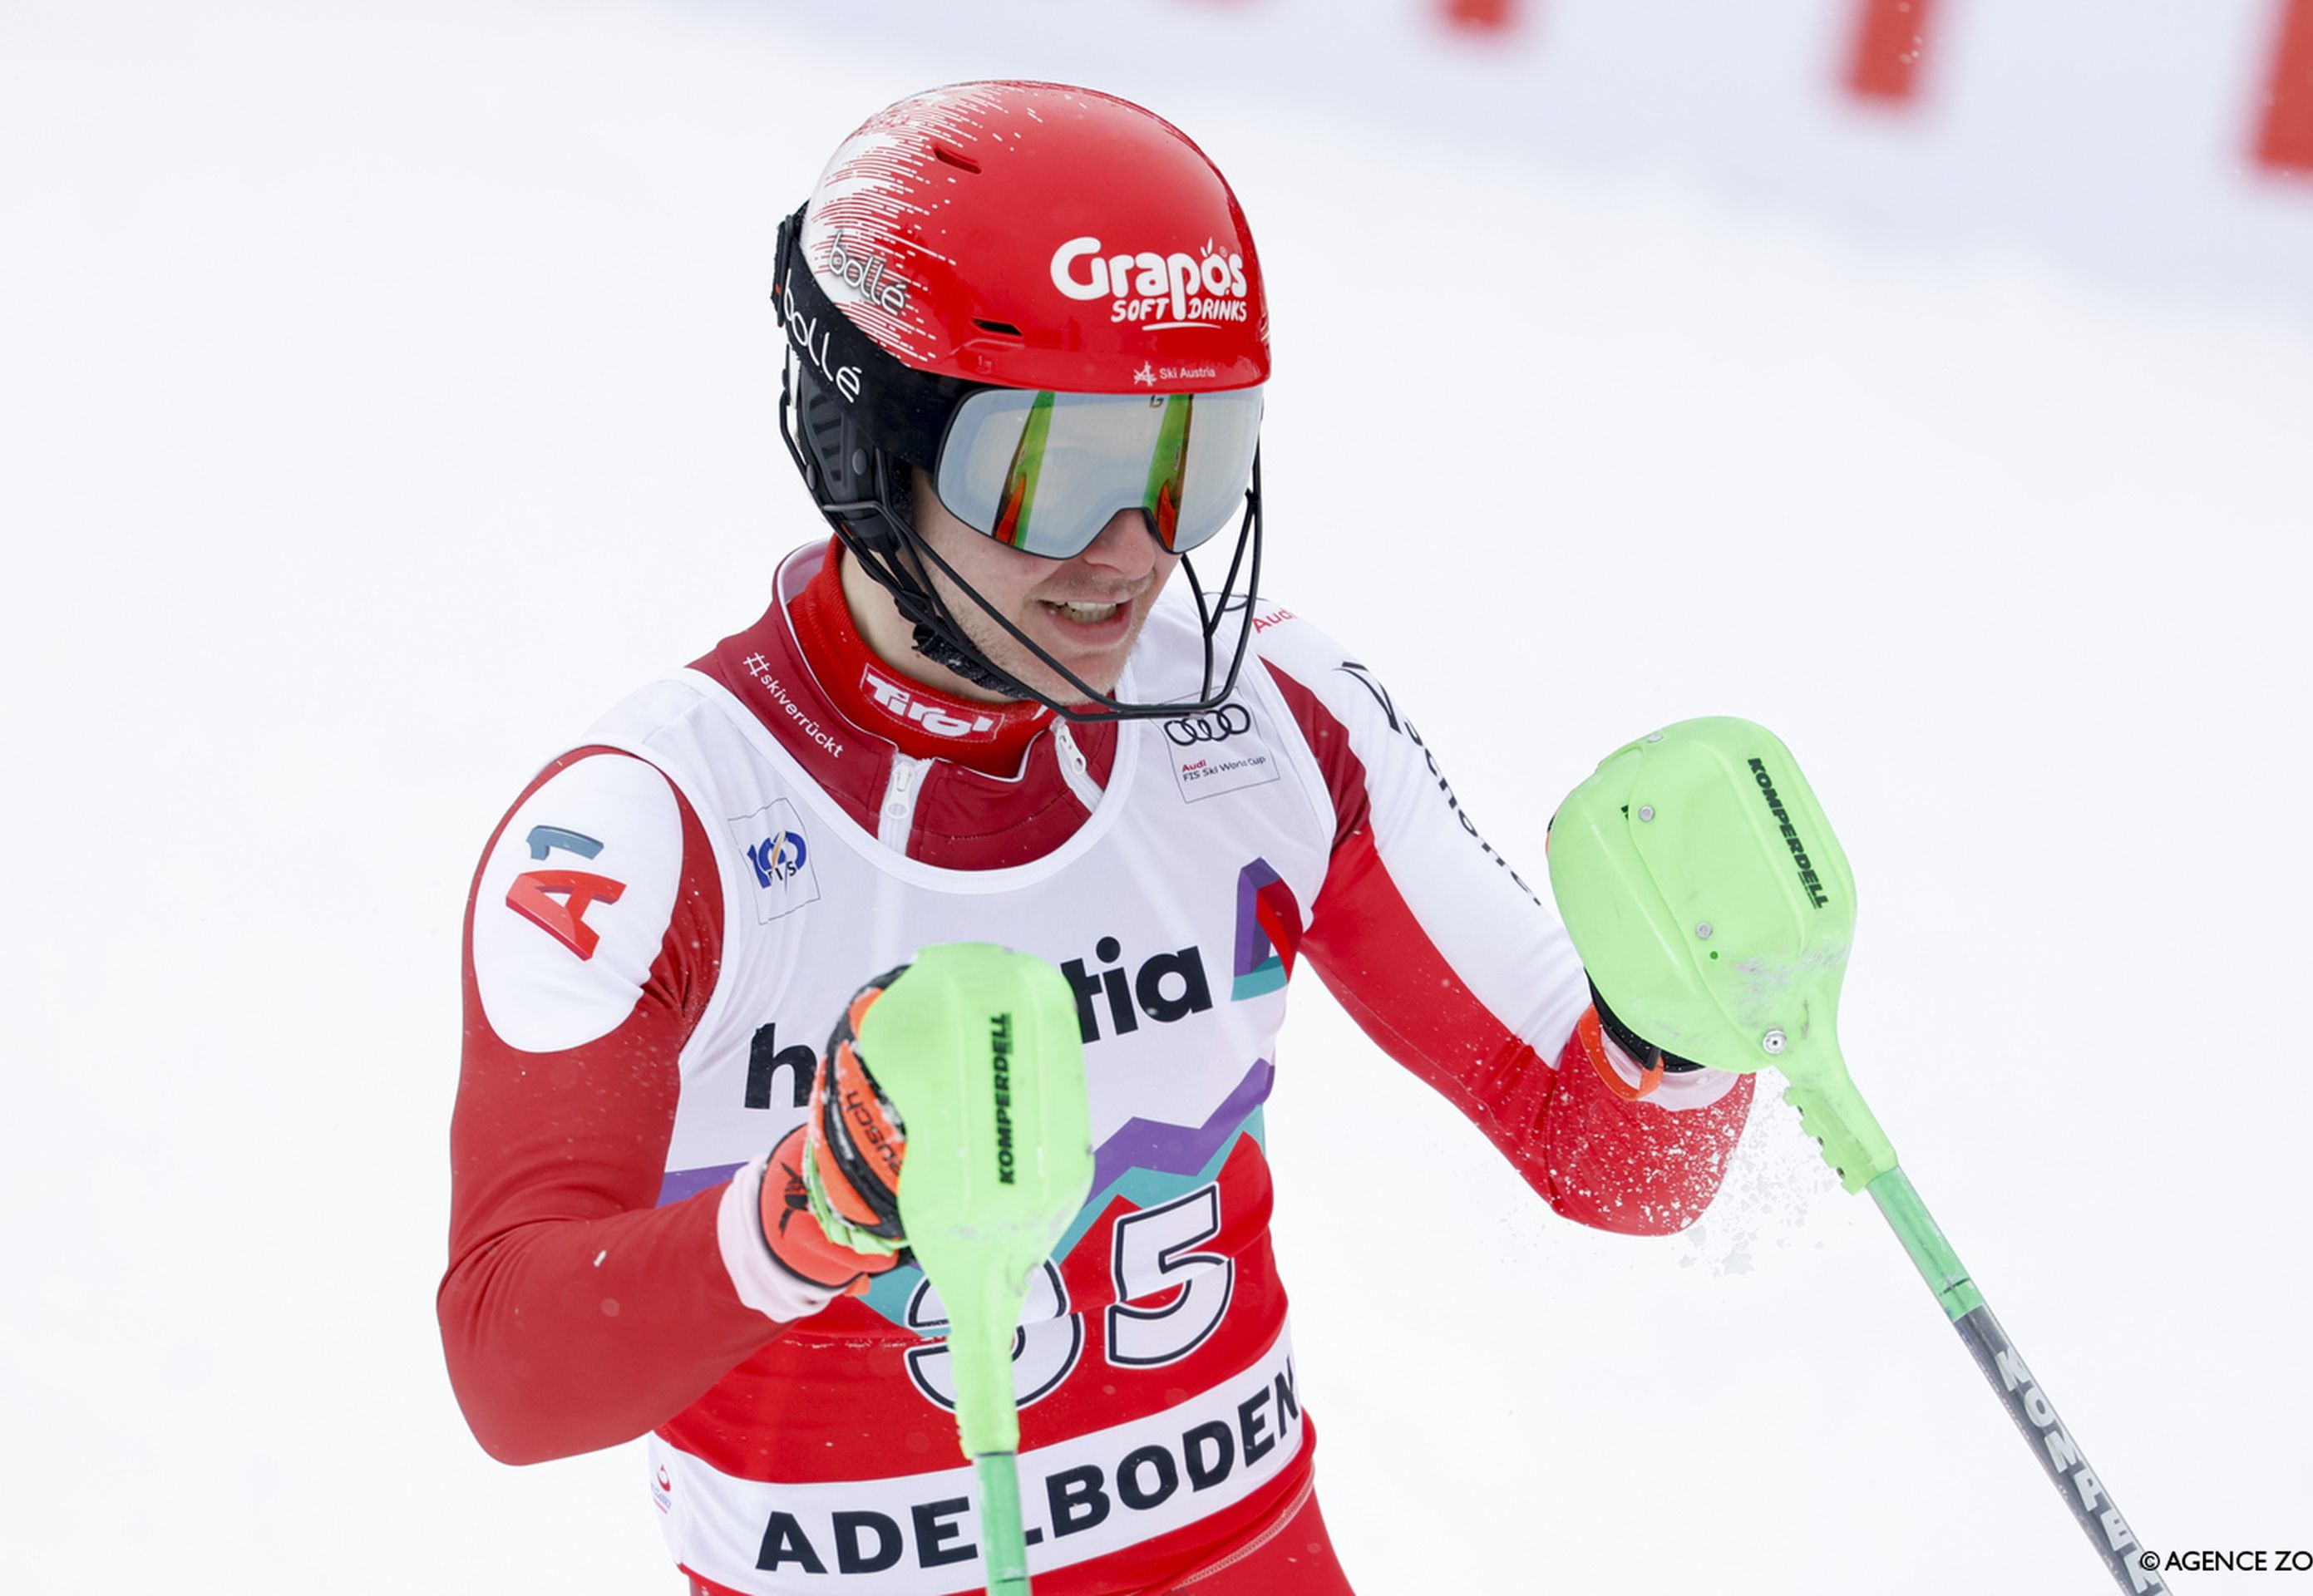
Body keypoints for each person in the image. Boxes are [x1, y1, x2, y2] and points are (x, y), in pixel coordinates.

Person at [440, 81, 1755, 1596]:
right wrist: (804, 1216)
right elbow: (511, 1375)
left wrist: (1687, 1018)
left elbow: (1613, 1158)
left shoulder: (1269, 721)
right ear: (872, 445)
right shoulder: (655, 826)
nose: (1129, 551)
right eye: (1055, 469)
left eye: (1188, 462)